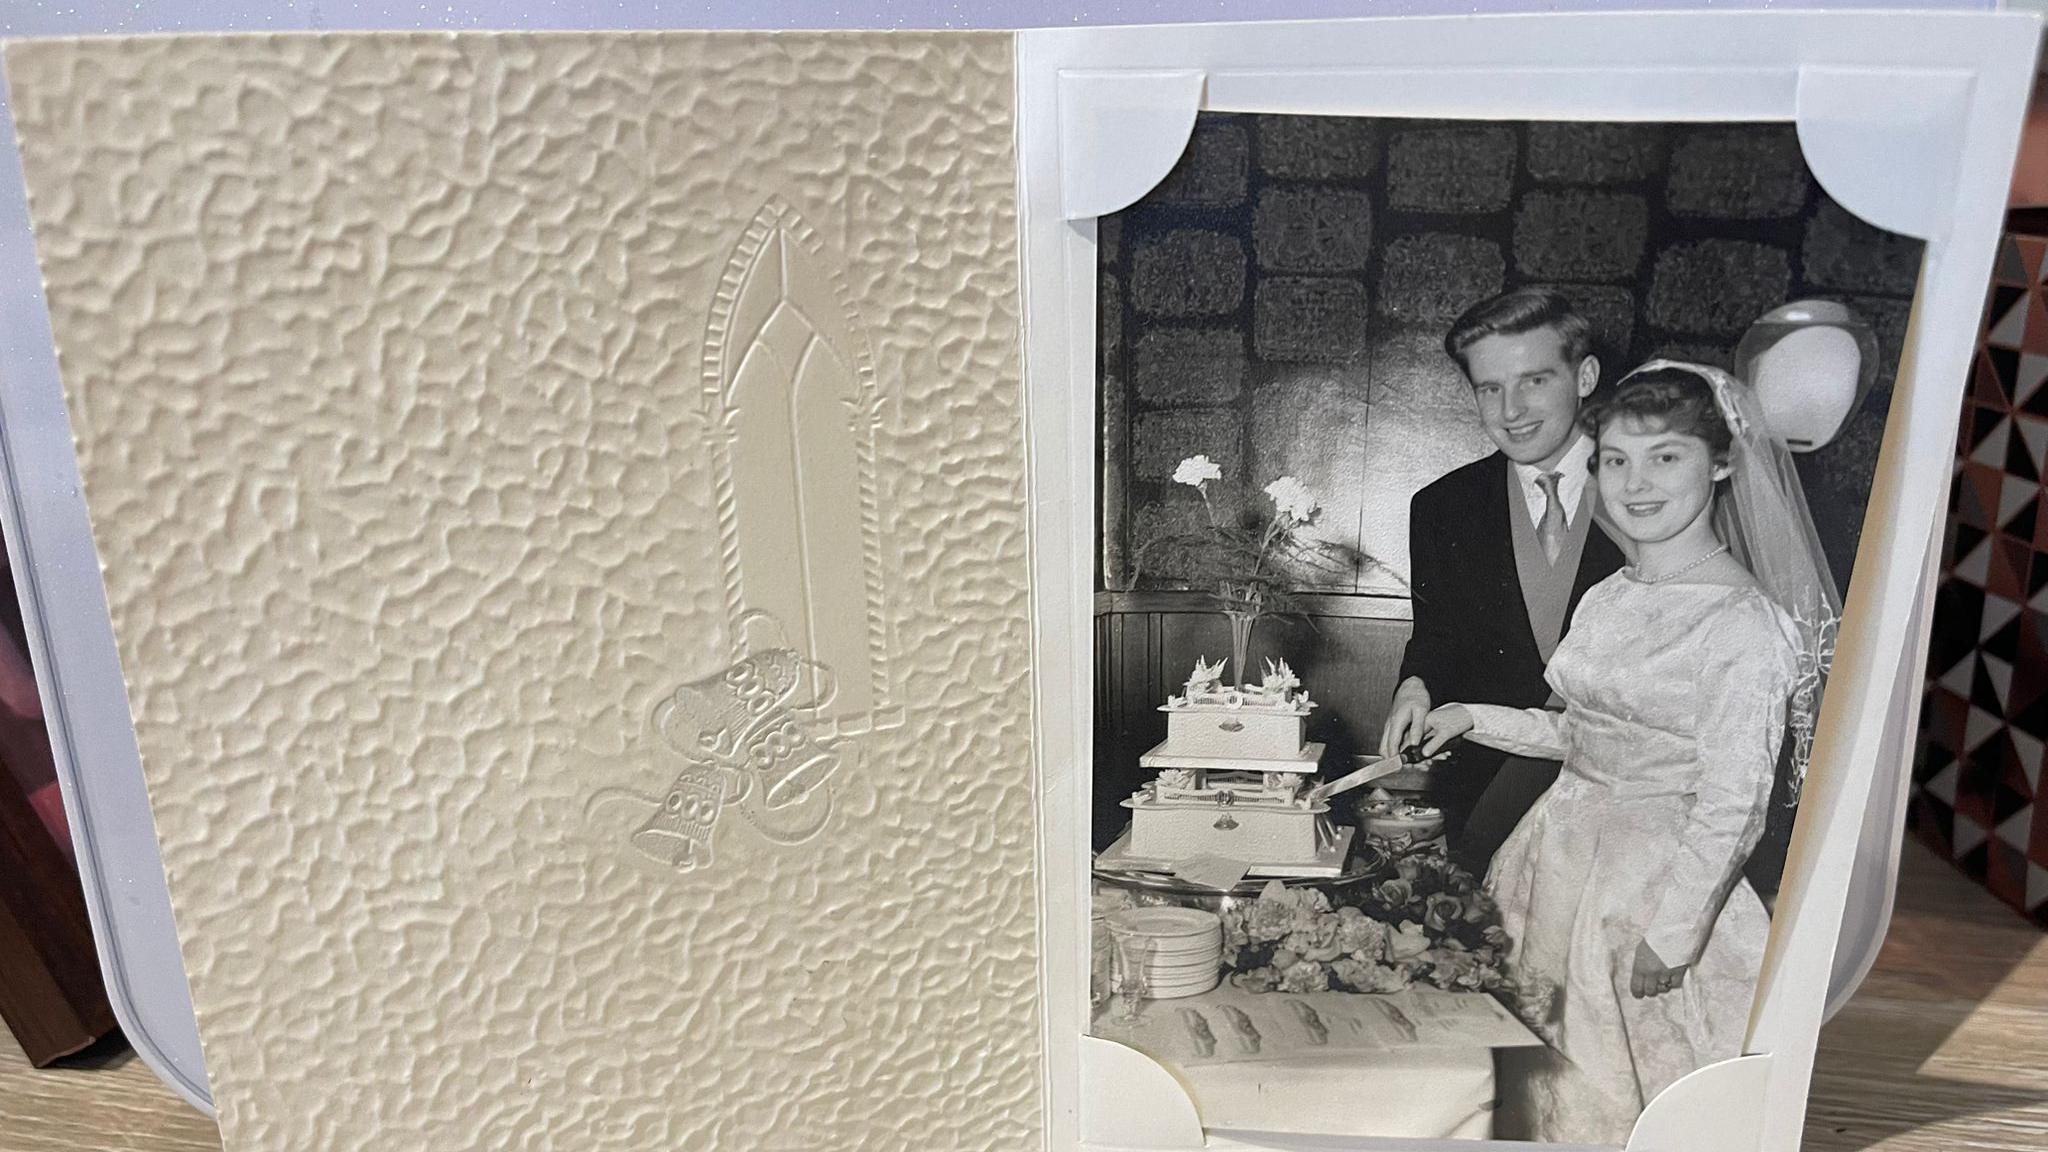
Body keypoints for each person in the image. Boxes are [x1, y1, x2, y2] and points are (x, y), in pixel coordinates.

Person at [1415, 361, 1836, 1144]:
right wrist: (1473, 715)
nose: (1634, 483)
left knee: (1620, 1096)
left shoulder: (1744, 625)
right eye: (1615, 459)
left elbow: (1734, 799)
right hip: (1554, 857)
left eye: (1665, 457)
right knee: (1524, 1085)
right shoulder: (1611, 596)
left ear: (1720, 464)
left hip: (1648, 890)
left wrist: (1675, 934)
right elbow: (1585, 736)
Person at [1379, 288, 1625, 871]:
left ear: (1585, 376)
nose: (1510, 410)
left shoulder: (1647, 493)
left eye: (1534, 380)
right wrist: (1416, 685)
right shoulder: (1441, 506)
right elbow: (1436, 635)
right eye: (1490, 388)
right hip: (1489, 789)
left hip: (1622, 799)